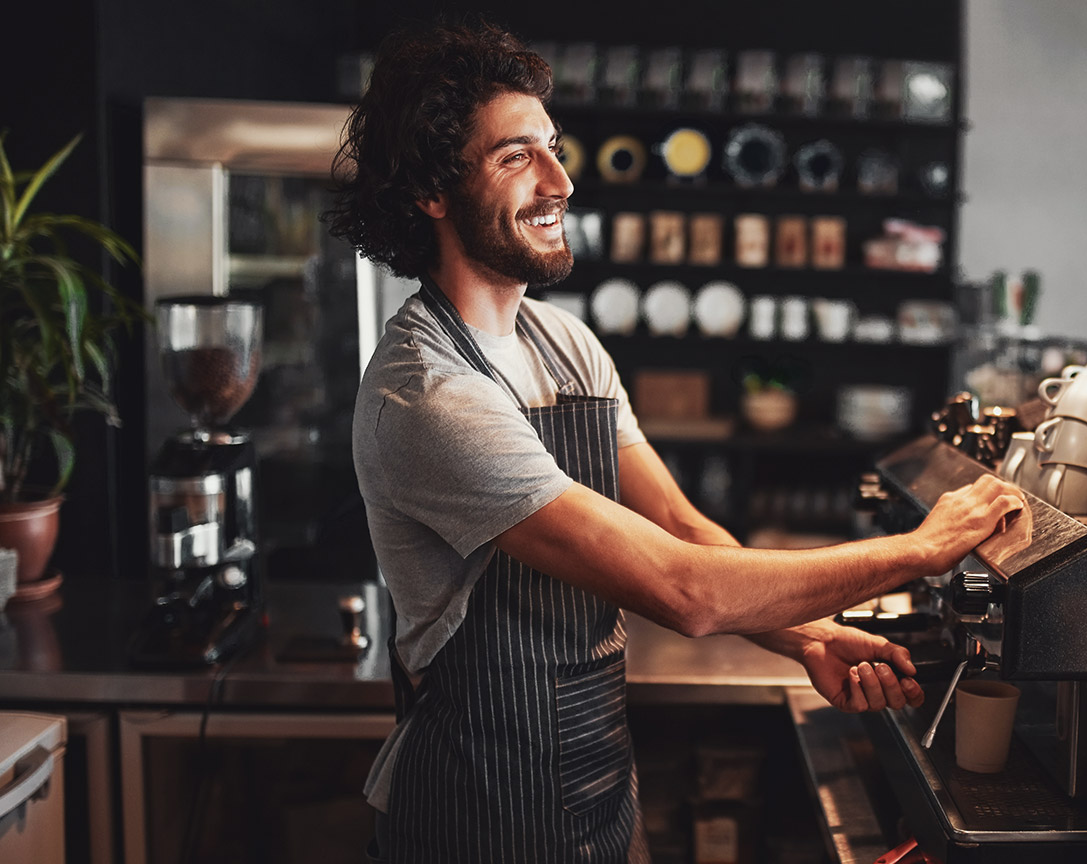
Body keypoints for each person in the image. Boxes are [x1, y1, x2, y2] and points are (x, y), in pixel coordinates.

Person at [325, 20, 1027, 864]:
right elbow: (683, 589)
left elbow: (688, 533)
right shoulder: (430, 396)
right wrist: (922, 548)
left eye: (553, 147)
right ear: (432, 192)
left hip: (597, 796)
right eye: (516, 158)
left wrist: (810, 638)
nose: (561, 182)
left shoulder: (566, 345)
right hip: (475, 817)